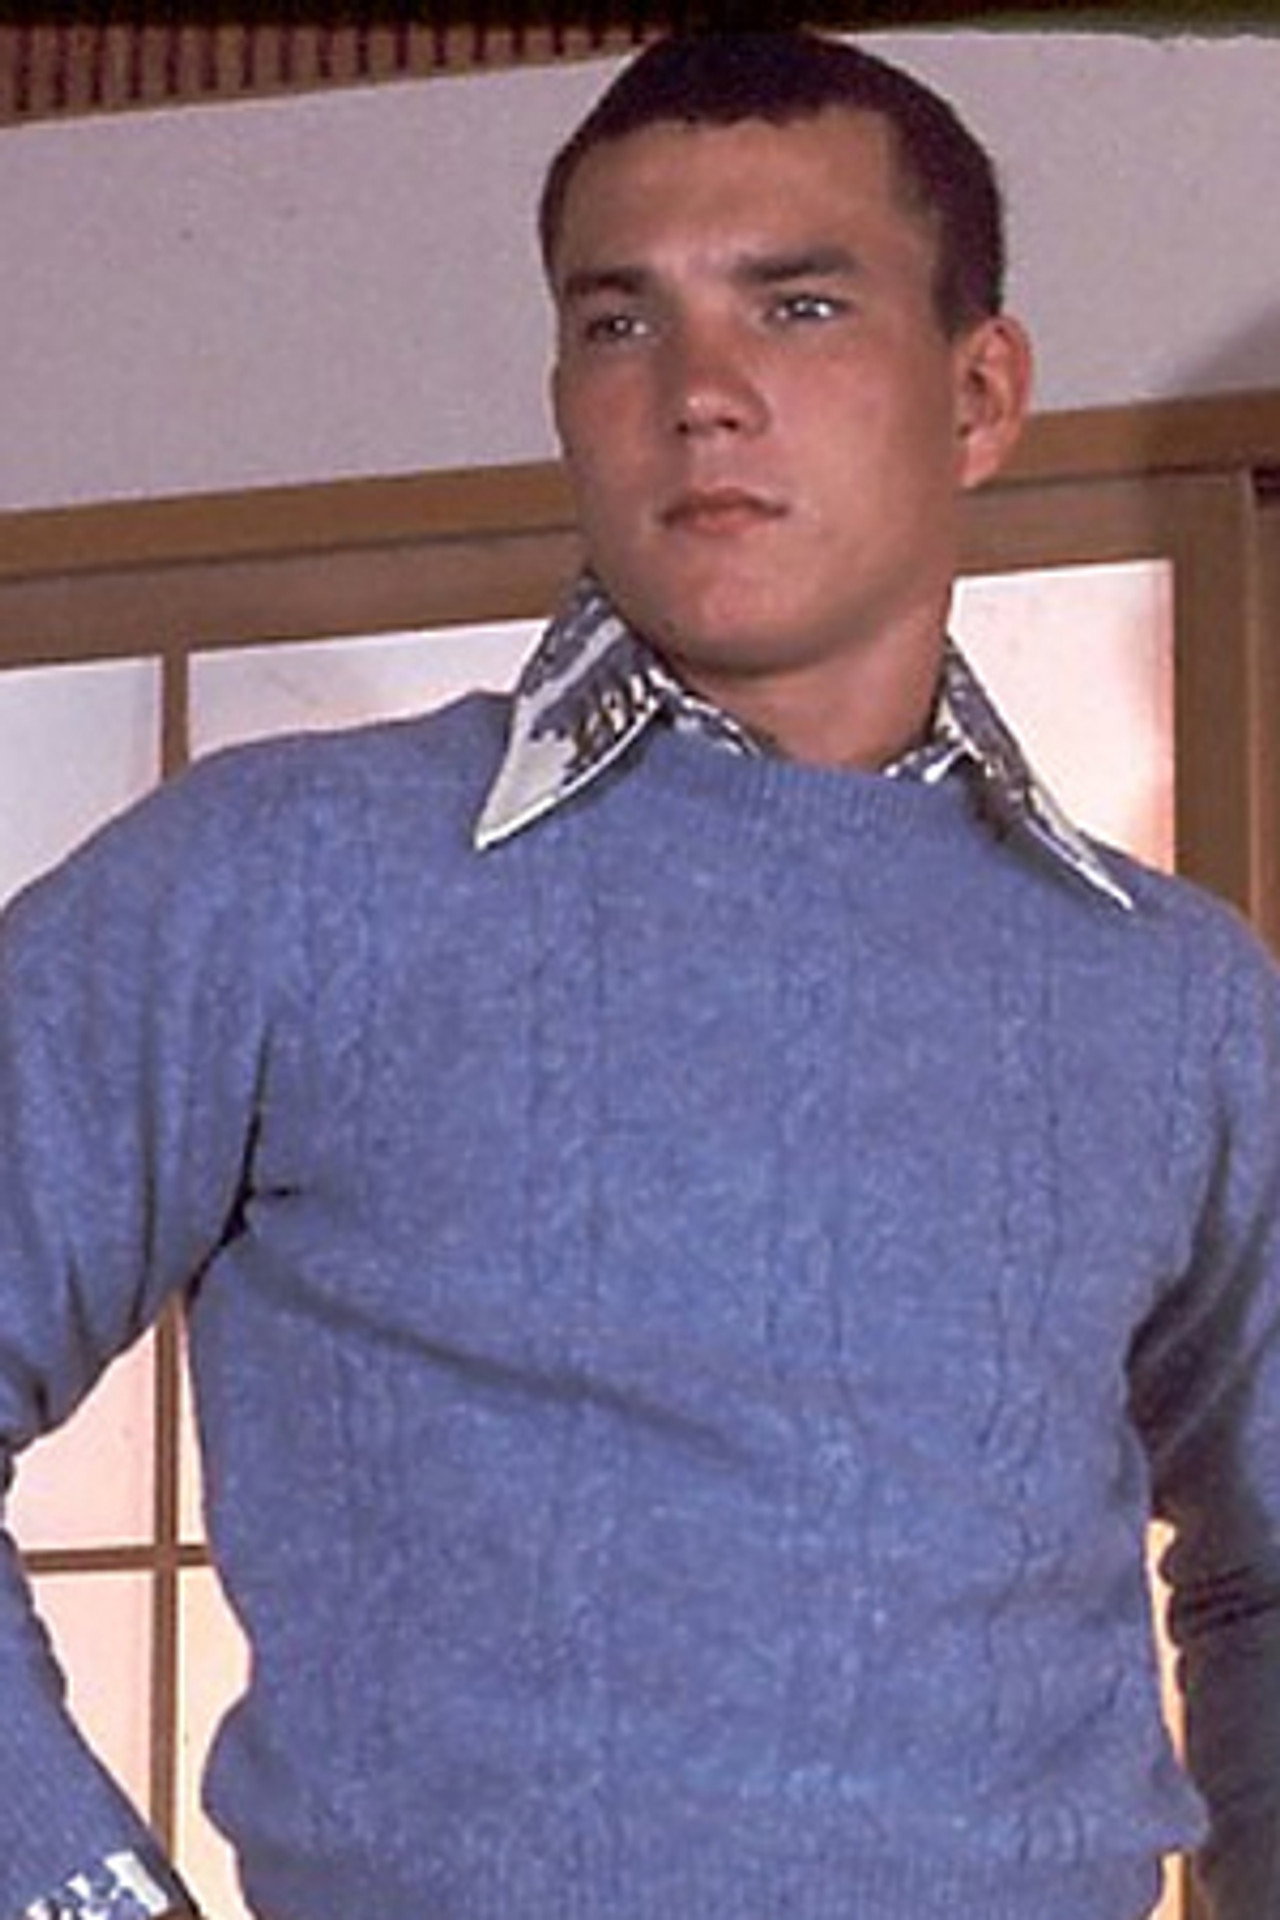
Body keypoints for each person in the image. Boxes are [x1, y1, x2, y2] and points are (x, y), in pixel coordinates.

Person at [1, 29, 1277, 1920]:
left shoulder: (1176, 996)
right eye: (620, 323)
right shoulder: (277, 879)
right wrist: (83, 1897)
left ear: (980, 395)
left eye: (800, 305)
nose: (700, 395)